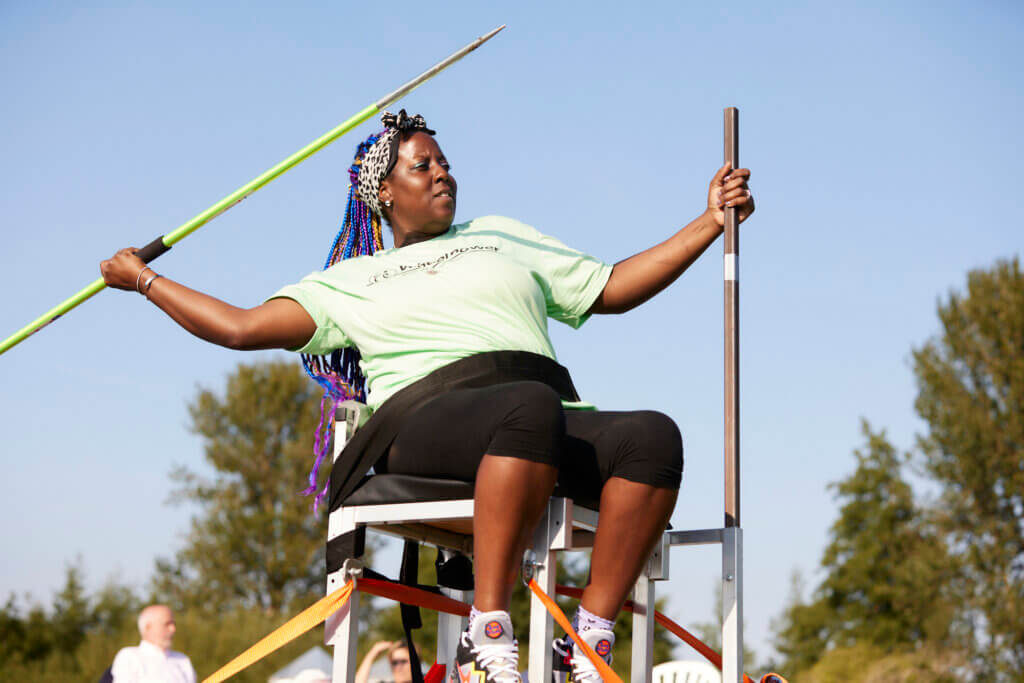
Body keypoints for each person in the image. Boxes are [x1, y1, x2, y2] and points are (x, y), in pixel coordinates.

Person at [100, 110, 754, 683]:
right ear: (384, 191)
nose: (443, 173)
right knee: (526, 408)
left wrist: (708, 222)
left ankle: (586, 639)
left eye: (445, 161)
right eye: (423, 165)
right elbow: (241, 326)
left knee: (651, 436)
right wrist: (145, 279)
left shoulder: (498, 233)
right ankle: (487, 629)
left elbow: (609, 286)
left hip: (541, 416)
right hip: (425, 422)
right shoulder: (350, 280)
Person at [110, 604, 197, 683]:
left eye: (173, 624)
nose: (173, 629)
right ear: (148, 627)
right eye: (167, 624)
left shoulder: (182, 660)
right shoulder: (129, 657)